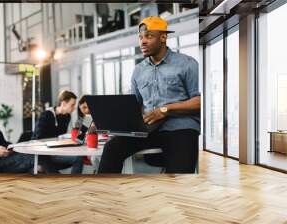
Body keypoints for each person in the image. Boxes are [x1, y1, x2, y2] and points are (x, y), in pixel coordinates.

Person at [98, 16, 201, 174]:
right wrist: (107, 121)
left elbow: (200, 102)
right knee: (112, 147)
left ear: (163, 37)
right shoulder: (139, 70)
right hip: (148, 130)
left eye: (149, 36)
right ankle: (105, 195)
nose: (143, 41)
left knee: (179, 175)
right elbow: (133, 106)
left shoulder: (187, 64)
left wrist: (166, 110)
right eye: (140, 37)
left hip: (181, 129)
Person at [33, 90, 84, 174]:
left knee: (79, 157)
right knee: (78, 158)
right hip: (43, 153)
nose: (74, 107)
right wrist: (58, 141)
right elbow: (39, 137)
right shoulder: (46, 115)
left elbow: (61, 134)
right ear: (63, 104)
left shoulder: (67, 116)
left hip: (55, 150)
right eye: (72, 105)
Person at [0, 97, 34, 173]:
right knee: (34, 159)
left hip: (5, 159)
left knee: (32, 167)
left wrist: (14, 146)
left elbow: (3, 142)